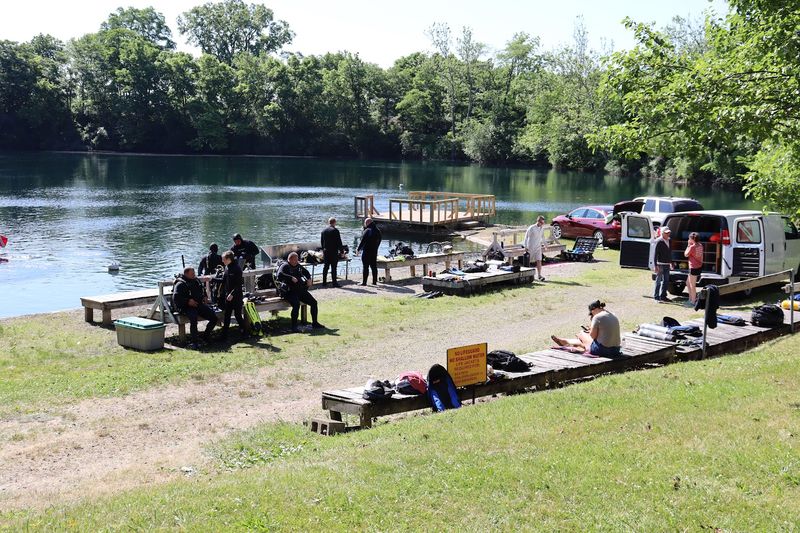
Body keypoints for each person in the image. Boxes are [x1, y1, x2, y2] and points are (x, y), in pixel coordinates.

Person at [551, 300, 621, 357]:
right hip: (616, 350)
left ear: (593, 310)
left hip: (603, 351)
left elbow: (593, 336)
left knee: (582, 334)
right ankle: (565, 341)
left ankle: (566, 342)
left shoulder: (597, 317)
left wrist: (590, 330)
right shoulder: (613, 315)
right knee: (586, 339)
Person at [277, 252, 324, 332]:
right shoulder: (285, 266)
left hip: (300, 290)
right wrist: (290, 278)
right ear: (290, 259)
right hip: (289, 292)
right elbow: (279, 275)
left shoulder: (298, 266)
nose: (297, 261)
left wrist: (309, 279)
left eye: (297, 260)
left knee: (314, 303)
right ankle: (294, 326)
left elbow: (306, 272)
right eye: (295, 260)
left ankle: (315, 323)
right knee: (296, 305)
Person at [172, 266, 218, 346]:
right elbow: (176, 298)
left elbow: (202, 290)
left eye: (194, 273)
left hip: (198, 304)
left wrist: (204, 296)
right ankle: (194, 342)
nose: (194, 275)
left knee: (214, 317)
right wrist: (187, 301)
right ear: (186, 274)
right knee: (193, 318)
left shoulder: (196, 281)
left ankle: (205, 336)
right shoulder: (180, 284)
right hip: (186, 307)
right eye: (192, 274)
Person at [220, 250, 245, 339]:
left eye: (223, 259)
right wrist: (211, 279)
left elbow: (239, 284)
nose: (222, 261)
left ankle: (244, 332)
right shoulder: (227, 267)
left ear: (228, 259)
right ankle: (224, 335)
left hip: (236, 296)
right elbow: (223, 280)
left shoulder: (237, 268)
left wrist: (232, 294)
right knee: (227, 315)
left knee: (238, 315)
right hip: (228, 296)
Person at [356, 217, 382, 286]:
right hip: (374, 251)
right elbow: (379, 240)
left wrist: (358, 249)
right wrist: (376, 248)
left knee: (365, 267)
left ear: (367, 223)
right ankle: (374, 282)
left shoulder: (367, 230)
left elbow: (363, 241)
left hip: (367, 251)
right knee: (374, 267)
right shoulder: (378, 231)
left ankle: (364, 282)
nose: (364, 224)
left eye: (365, 223)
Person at [321, 217, 345, 288]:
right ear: (334, 222)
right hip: (333, 251)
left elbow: (322, 242)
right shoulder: (335, 230)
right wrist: (342, 252)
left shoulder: (323, 231)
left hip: (326, 251)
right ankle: (334, 282)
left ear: (329, 222)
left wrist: (323, 250)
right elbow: (339, 242)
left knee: (326, 267)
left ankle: (324, 282)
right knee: (334, 267)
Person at [524, 215, 547, 281]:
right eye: (541, 222)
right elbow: (526, 237)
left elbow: (543, 237)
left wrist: (546, 245)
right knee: (528, 261)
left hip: (538, 247)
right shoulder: (532, 228)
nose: (542, 224)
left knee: (539, 260)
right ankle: (526, 275)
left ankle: (539, 275)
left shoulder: (542, 228)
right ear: (538, 221)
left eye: (543, 223)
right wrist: (525, 246)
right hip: (530, 246)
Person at [653, 227, 673, 302]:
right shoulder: (659, 241)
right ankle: (656, 296)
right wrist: (655, 265)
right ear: (662, 233)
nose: (668, 234)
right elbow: (655, 254)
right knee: (658, 281)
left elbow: (670, 252)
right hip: (660, 264)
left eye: (669, 232)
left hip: (667, 264)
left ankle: (663, 296)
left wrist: (671, 262)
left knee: (666, 281)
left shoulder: (670, 240)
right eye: (666, 233)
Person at [684, 231, 704, 305]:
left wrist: (688, 245)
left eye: (689, 238)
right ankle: (690, 299)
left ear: (692, 239)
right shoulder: (700, 245)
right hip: (698, 266)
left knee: (692, 285)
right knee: (688, 283)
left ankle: (693, 301)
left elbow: (686, 254)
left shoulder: (692, 247)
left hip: (693, 267)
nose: (689, 240)